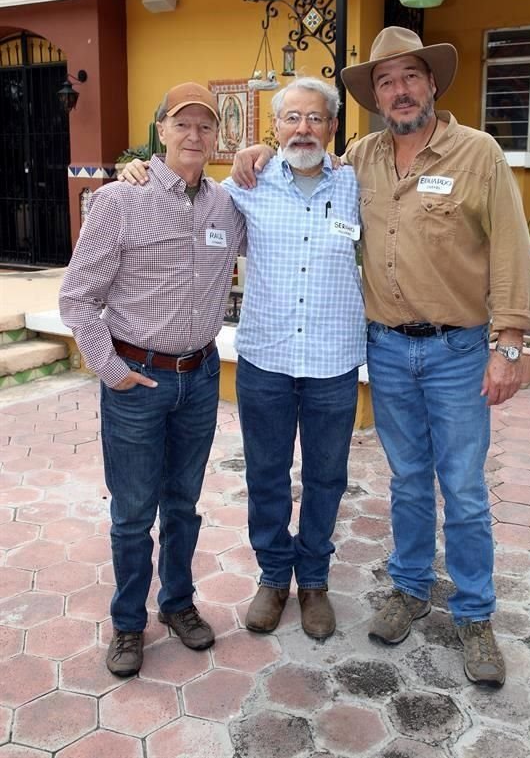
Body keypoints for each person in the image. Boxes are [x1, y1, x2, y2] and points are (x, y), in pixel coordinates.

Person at [232, 28, 530, 686]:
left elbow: (513, 248)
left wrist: (508, 343)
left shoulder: (477, 152)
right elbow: (295, 154)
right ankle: (406, 587)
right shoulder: (360, 160)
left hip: (458, 350)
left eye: (409, 77)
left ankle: (476, 615)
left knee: (461, 485)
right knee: (405, 478)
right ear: (374, 99)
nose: (399, 91)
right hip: (389, 350)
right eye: (386, 82)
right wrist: (252, 150)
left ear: (432, 84)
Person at [119, 77, 365, 641]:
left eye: (315, 119)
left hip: (333, 362)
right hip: (266, 361)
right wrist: (135, 169)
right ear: (273, 129)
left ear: (332, 128)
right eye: (292, 118)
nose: (303, 128)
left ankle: (316, 582)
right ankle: (275, 577)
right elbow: (184, 193)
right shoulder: (242, 189)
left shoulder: (356, 184)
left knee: (326, 477)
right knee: (268, 476)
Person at [60, 82, 246, 677]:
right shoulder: (121, 198)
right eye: (182, 125)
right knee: (134, 512)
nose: (195, 136)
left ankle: (178, 604)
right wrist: (110, 370)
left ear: (218, 137)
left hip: (199, 377)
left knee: (184, 505)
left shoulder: (227, 205)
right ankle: (127, 623)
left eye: (206, 127)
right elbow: (78, 297)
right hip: (137, 379)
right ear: (160, 130)